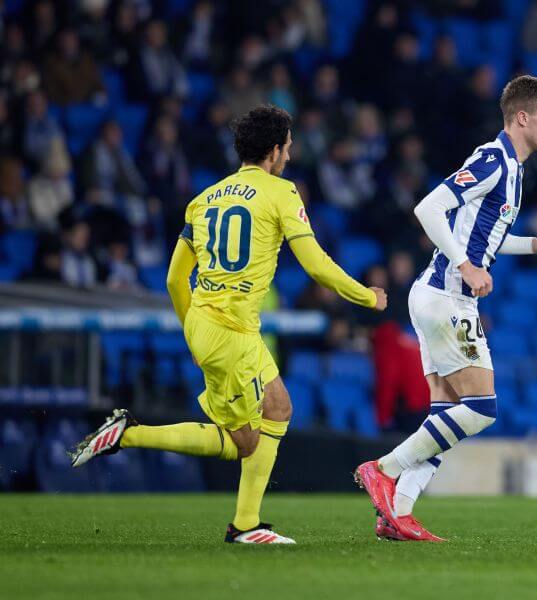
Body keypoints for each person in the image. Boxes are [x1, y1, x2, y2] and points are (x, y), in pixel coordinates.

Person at [69, 105, 387, 544]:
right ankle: (132, 436)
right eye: (289, 148)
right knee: (243, 442)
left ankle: (246, 524)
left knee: (278, 408)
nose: (290, 156)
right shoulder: (282, 193)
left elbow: (173, 278)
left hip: (213, 325)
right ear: (274, 151)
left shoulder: (203, 199)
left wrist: (194, 331)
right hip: (230, 334)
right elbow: (316, 266)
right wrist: (368, 295)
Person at [355, 76, 537, 542]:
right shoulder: (492, 159)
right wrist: (466, 264)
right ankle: (383, 468)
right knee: (481, 408)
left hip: (441, 297)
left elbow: (487, 236)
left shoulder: (514, 170)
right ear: (522, 117)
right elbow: (428, 209)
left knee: (446, 417)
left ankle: (397, 513)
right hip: (445, 296)